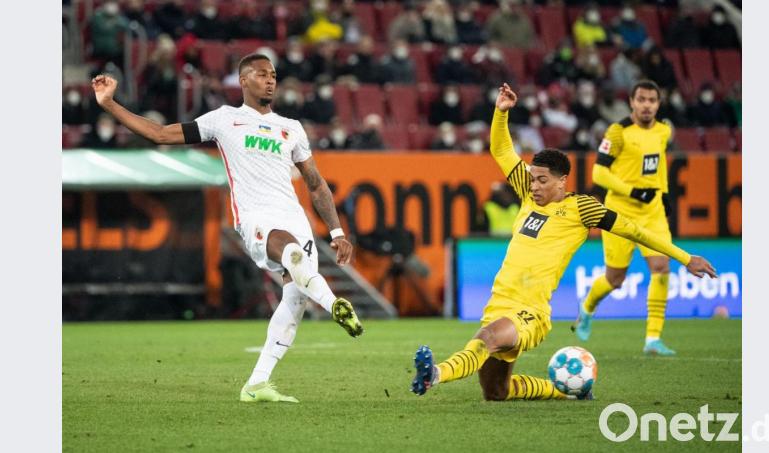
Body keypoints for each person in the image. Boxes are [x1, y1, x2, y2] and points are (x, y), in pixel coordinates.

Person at [410, 83, 716, 400]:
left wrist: (685, 257)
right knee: (496, 391)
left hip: (530, 312)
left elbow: (634, 230)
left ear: (562, 181)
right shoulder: (528, 194)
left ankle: (435, 374)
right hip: (498, 303)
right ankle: (567, 392)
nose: (534, 186)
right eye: (532, 179)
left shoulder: (580, 208)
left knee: (486, 338)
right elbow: (501, 151)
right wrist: (501, 113)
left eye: (542, 180)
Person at [91, 53, 364, 404]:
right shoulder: (224, 119)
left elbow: (315, 183)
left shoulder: (291, 127)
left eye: (273, 75)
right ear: (244, 80)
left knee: (295, 297)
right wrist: (109, 104)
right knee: (292, 253)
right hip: (255, 217)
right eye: (262, 74)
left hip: (293, 216)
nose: (270, 80)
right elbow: (160, 133)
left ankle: (257, 384)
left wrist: (337, 232)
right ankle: (333, 304)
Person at [575, 80, 685, 356]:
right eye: (641, 100)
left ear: (658, 104)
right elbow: (599, 173)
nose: (646, 105)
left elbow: (658, 164)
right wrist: (632, 191)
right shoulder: (618, 132)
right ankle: (587, 308)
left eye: (652, 100)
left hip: (652, 213)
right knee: (615, 279)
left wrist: (664, 193)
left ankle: (653, 339)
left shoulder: (663, 131)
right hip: (619, 213)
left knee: (661, 268)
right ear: (631, 103)